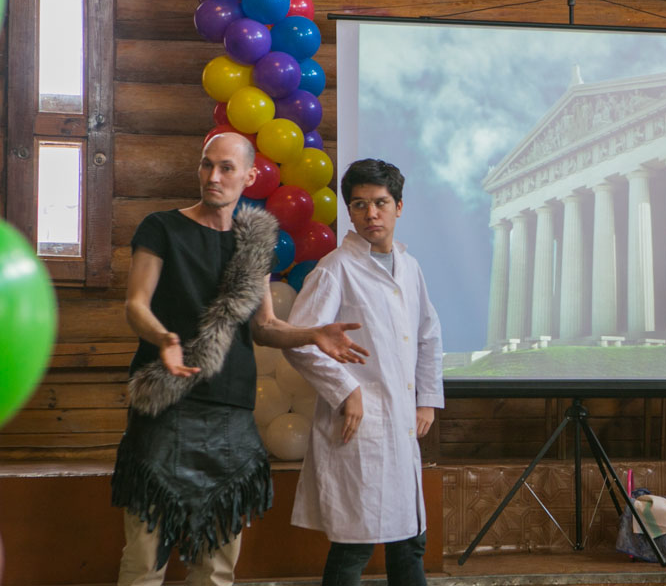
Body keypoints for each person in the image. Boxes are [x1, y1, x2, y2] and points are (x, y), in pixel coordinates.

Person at [111, 132, 369, 586]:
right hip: (167, 407)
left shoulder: (255, 243)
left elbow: (264, 326)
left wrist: (312, 334)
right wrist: (163, 337)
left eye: (226, 167)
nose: (213, 176)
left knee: (216, 567)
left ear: (249, 176)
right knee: (145, 561)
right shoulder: (161, 227)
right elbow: (136, 305)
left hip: (230, 413)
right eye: (207, 164)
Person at [285, 158, 444, 586]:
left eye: (380, 203)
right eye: (359, 205)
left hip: (401, 423)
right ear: (350, 212)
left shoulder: (410, 267)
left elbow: (428, 335)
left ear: (399, 207)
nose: (371, 213)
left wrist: (427, 400)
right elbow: (300, 340)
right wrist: (346, 391)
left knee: (409, 540)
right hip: (357, 426)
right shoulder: (335, 268)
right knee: (354, 543)